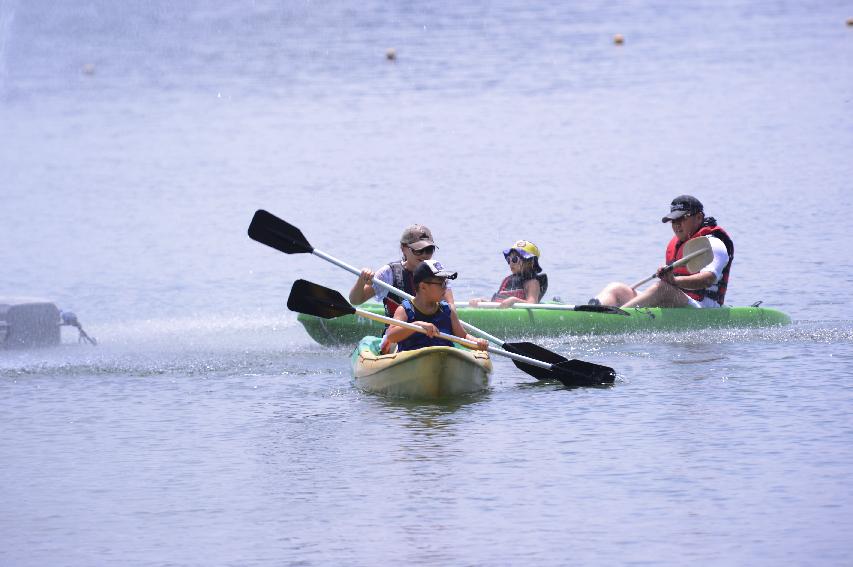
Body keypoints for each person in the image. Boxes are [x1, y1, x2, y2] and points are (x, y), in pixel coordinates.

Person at [592, 195, 734, 308]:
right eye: (673, 220)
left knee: (662, 288)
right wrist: (669, 277)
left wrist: (673, 281)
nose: (677, 225)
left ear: (699, 217)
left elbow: (708, 279)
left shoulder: (713, 244)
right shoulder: (677, 244)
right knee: (617, 288)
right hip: (678, 301)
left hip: (702, 307)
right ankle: (590, 313)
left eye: (682, 218)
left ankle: (615, 320)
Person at [349, 224, 455, 318]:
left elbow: (450, 307)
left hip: (431, 333)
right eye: (418, 250)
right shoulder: (388, 273)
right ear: (403, 248)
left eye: (429, 250)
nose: (424, 255)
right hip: (397, 335)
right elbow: (355, 300)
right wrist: (361, 280)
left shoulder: (437, 271)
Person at [383, 260, 489, 353]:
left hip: (444, 359)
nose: (445, 288)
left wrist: (477, 342)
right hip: (413, 361)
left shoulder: (447, 311)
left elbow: (463, 336)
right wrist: (416, 325)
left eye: (446, 283)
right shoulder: (405, 310)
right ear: (423, 287)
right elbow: (391, 336)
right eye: (441, 284)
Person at [469, 240, 548, 308]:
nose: (511, 263)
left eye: (514, 259)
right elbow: (499, 302)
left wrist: (514, 300)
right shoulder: (507, 281)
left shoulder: (532, 283)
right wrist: (482, 301)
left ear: (530, 262)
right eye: (508, 259)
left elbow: (532, 304)